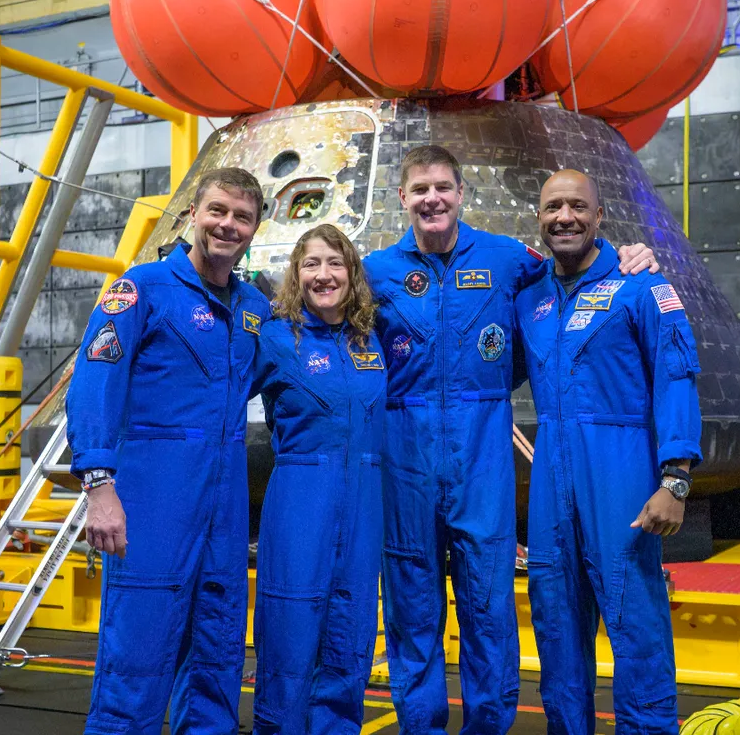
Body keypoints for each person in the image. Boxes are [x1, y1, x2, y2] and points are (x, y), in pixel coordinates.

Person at [361, 146, 659, 735]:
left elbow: (573, 269)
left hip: (482, 455)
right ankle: (420, 725)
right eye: (419, 189)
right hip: (405, 453)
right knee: (411, 605)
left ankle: (487, 727)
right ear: (402, 198)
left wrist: (630, 254)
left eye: (443, 187)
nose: (432, 199)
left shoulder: (506, 259)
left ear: (461, 192)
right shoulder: (375, 272)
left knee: (487, 606)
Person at [67, 168, 271, 735]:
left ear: (255, 228)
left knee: (217, 651)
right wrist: (99, 487)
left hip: (226, 505)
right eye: (218, 211)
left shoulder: (256, 308)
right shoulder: (142, 288)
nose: (227, 225)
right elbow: (94, 383)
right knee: (138, 653)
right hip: (155, 496)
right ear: (194, 215)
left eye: (241, 217)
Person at [513, 169, 703, 735]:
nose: (564, 216)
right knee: (556, 625)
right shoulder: (530, 299)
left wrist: (675, 480)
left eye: (577, 206)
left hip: (621, 471)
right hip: (551, 479)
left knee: (637, 624)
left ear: (599, 217)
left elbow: (677, 377)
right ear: (540, 218)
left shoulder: (641, 286)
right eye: (552, 207)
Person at [250, 225, 386, 735]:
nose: (324, 275)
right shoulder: (276, 338)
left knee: (350, 633)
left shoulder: (370, 338)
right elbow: (216, 394)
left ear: (352, 273)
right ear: (296, 273)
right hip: (301, 498)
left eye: (335, 263)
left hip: (365, 502)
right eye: (312, 264)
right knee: (289, 630)